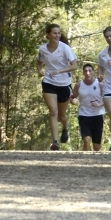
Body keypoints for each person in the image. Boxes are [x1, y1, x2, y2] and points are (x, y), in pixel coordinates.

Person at [37, 23, 77, 151]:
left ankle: (65, 127)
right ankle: (55, 142)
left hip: (64, 84)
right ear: (48, 35)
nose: (57, 35)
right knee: (53, 112)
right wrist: (39, 70)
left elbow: (74, 66)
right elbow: (39, 61)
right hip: (49, 82)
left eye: (59, 33)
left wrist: (60, 71)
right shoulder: (43, 49)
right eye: (54, 33)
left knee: (61, 115)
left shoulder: (65, 48)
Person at [71, 63, 105, 152]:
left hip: (98, 115)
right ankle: (86, 161)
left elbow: (107, 99)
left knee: (96, 146)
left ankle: (95, 162)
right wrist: (73, 101)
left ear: (93, 72)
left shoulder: (100, 84)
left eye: (90, 71)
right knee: (86, 140)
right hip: (84, 115)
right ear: (83, 73)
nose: (88, 73)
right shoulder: (79, 85)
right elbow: (73, 97)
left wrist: (99, 104)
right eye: (85, 71)